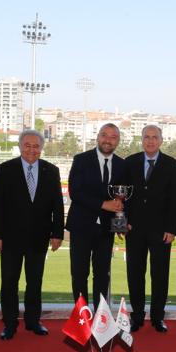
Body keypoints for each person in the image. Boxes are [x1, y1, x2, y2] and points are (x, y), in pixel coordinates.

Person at [0, 130, 64, 340]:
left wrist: (57, 233)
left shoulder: (51, 170)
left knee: (35, 282)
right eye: (27, 145)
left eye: (36, 146)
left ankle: (33, 321)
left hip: (39, 237)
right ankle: (9, 324)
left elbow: (58, 205)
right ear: (20, 147)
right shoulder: (4, 170)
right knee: (9, 282)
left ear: (42, 148)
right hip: (10, 238)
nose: (32, 150)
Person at [124, 125, 176, 333]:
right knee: (135, 274)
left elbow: (175, 200)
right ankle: (137, 316)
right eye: (147, 137)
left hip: (161, 231)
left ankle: (158, 317)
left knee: (160, 276)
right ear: (141, 139)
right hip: (134, 229)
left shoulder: (172, 165)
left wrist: (171, 228)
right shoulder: (129, 162)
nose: (150, 141)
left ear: (161, 140)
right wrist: (123, 221)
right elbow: (122, 196)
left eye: (154, 137)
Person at [67, 123, 127, 307]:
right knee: (79, 273)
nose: (108, 140)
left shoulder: (122, 164)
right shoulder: (81, 159)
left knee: (102, 274)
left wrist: (120, 225)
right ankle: (82, 315)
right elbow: (75, 192)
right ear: (98, 137)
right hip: (81, 226)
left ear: (118, 141)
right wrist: (103, 204)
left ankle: (101, 315)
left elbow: (121, 199)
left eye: (113, 137)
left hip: (106, 230)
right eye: (104, 135)